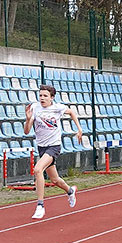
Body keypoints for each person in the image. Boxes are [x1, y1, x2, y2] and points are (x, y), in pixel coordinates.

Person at [24, 85, 83, 219]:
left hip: (54, 146)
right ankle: (70, 191)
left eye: (45, 96)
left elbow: (72, 112)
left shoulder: (58, 108)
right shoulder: (34, 108)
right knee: (55, 180)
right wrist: (28, 119)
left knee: (38, 169)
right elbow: (26, 131)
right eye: (40, 95)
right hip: (42, 147)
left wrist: (79, 129)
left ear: (52, 98)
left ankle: (40, 205)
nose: (42, 98)